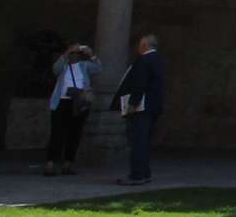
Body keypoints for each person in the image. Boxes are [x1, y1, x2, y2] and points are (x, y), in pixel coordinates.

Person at [110, 33, 164, 187]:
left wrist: (132, 104)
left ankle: (137, 175)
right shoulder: (158, 59)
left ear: (144, 46)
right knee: (144, 142)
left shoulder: (144, 60)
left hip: (141, 108)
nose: (139, 47)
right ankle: (144, 173)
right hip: (153, 106)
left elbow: (140, 84)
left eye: (140, 44)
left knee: (138, 142)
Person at [43, 41, 101, 177]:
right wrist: (67, 52)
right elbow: (55, 69)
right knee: (57, 133)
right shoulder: (63, 66)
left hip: (78, 102)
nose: (75, 55)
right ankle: (50, 163)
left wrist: (91, 54)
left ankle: (68, 163)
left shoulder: (85, 66)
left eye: (77, 53)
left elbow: (99, 68)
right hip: (62, 101)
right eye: (73, 53)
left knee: (75, 133)